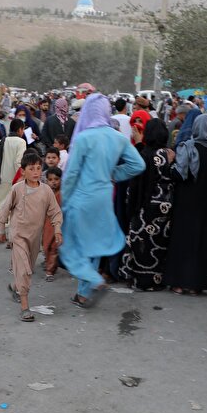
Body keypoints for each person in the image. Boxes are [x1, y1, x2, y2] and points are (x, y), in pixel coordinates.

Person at [60, 93, 145, 308]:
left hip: (82, 196)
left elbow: (71, 174)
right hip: (104, 197)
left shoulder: (83, 138)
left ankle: (94, 281)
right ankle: (83, 293)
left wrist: (64, 200)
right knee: (94, 244)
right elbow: (138, 164)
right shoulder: (118, 137)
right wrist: (114, 174)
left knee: (73, 243)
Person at [165, 114, 207, 295]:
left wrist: (170, 163)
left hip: (185, 203)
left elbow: (177, 175)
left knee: (182, 241)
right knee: (202, 243)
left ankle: (178, 283)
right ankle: (196, 285)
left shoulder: (187, 148)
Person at [0, 152, 63, 322]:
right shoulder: (17, 189)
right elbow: (5, 208)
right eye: (31, 169)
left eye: (38, 168)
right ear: (23, 171)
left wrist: (57, 229)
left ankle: (15, 287)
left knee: (27, 269)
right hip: (18, 235)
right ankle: (25, 308)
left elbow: (55, 212)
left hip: (34, 237)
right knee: (24, 269)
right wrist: (0, 228)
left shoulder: (46, 191)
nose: (35, 172)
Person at [118, 118, 176, 292]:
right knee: (159, 243)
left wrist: (130, 207)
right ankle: (157, 280)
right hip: (166, 205)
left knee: (141, 242)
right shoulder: (170, 154)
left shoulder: (144, 154)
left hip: (146, 205)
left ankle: (141, 280)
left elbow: (135, 185)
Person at [0, 118, 28, 225]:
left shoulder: (2, 140)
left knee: (0, 206)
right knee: (12, 207)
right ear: (20, 129)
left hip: (0, 179)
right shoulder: (21, 142)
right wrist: (21, 179)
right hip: (13, 180)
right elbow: (19, 162)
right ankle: (6, 230)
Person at [42, 166, 64, 282]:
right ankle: (49, 263)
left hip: (59, 225)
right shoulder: (45, 193)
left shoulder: (63, 194)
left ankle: (50, 271)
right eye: (50, 180)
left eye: (56, 179)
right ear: (46, 181)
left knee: (54, 247)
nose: (53, 182)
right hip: (47, 224)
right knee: (46, 247)